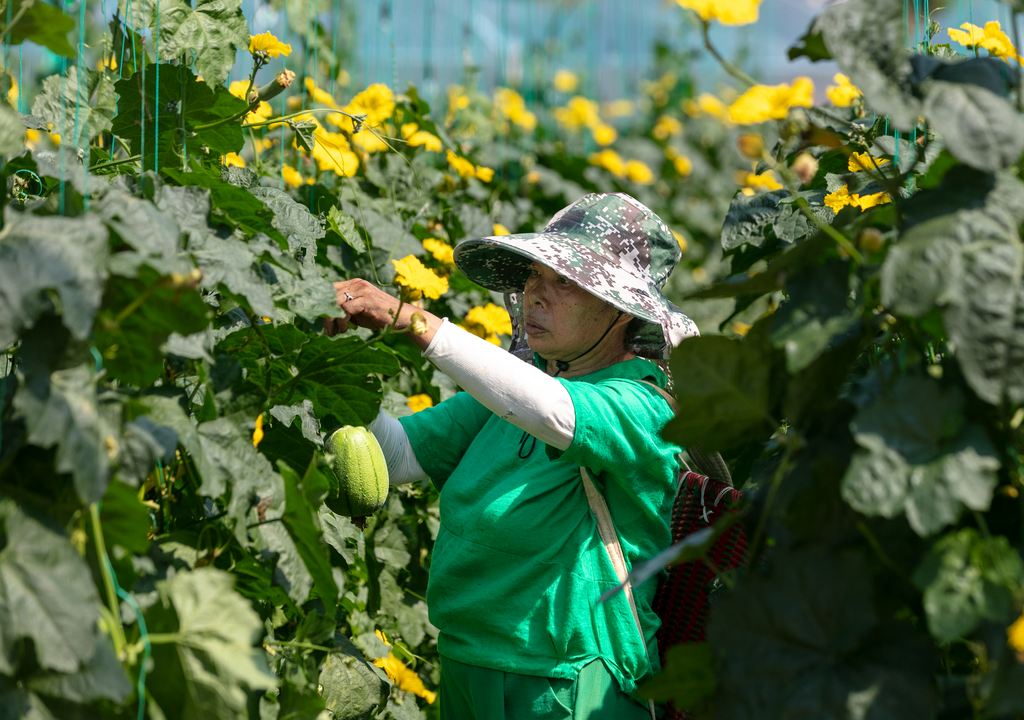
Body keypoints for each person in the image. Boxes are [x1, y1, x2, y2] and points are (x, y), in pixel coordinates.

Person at [324, 193, 699, 719]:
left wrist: (412, 321)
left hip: (568, 680)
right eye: (532, 277)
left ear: (617, 307)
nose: (534, 295)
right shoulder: (522, 388)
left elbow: (557, 415)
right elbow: (396, 455)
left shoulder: (642, 403)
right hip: (468, 658)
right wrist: (328, 369)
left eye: (564, 281)